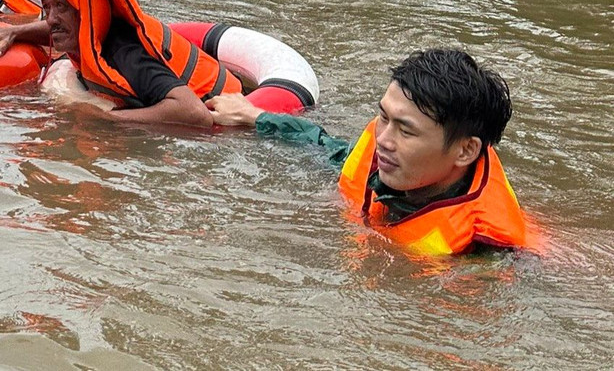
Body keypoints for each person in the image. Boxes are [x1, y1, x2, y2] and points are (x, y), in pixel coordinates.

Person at [208, 49, 536, 256]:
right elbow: (329, 149)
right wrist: (257, 117)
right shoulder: (389, 157)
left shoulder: (485, 253)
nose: (383, 140)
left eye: (406, 130)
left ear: (465, 151)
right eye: (383, 117)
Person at [0, 0, 243, 127]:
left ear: (88, 9)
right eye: (47, 7)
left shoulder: (126, 53)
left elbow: (194, 113)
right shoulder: (91, 31)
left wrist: (108, 120)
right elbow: (64, 28)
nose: (51, 18)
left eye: (62, 5)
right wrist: (14, 31)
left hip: (226, 109)